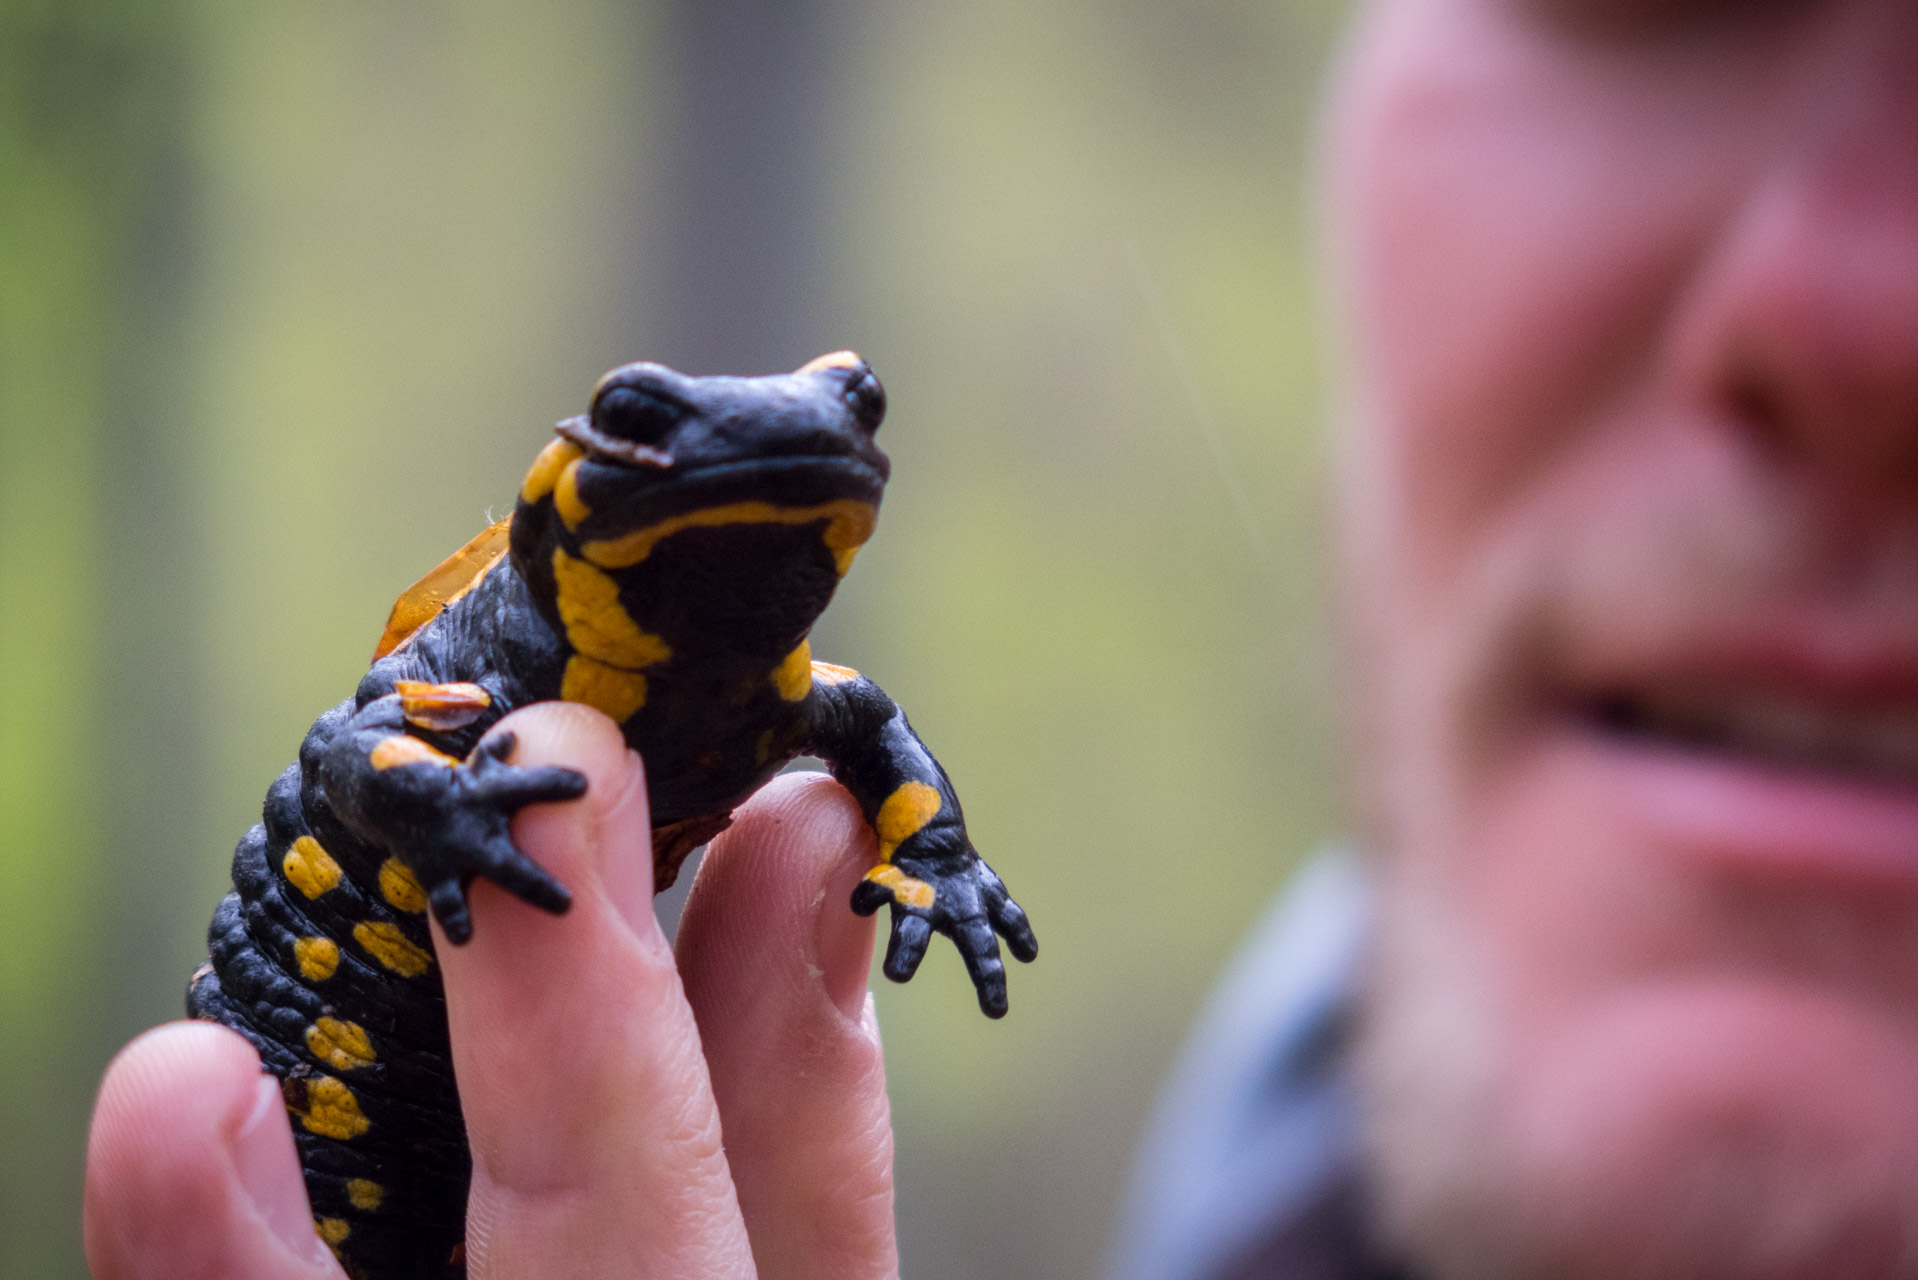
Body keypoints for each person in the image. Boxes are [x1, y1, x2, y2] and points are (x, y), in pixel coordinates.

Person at [84, 0, 1918, 1275]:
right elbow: (361, 759)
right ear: (572, 497)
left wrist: (931, 854)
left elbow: (873, 752)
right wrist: (919, 853)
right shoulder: (510, 676)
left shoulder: (772, 703)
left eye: (843, 419)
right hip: (307, 1103)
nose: (1857, 321)